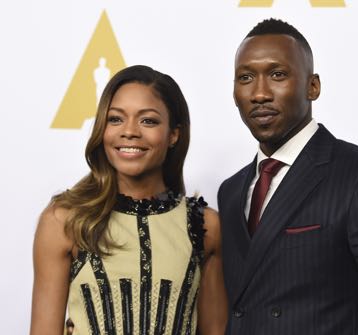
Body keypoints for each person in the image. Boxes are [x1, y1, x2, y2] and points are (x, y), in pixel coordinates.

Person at [217, 18, 358, 335]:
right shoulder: (232, 191)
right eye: (246, 77)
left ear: (312, 86)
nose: (260, 93)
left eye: (277, 75)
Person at [31, 65, 227, 335]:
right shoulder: (66, 220)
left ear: (174, 134)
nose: (130, 131)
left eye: (148, 120)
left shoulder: (204, 225)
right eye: (115, 119)